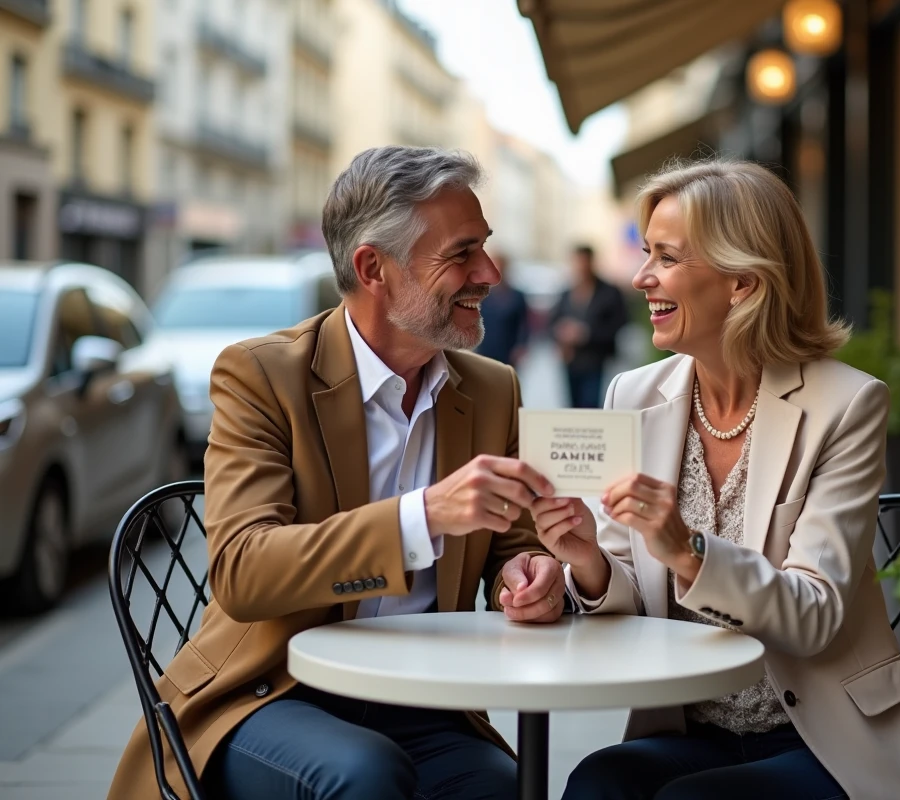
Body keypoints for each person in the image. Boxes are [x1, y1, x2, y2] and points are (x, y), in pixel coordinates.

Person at [108, 146, 566, 800]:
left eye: (484, 247)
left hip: (424, 701)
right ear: (374, 268)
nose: (489, 272)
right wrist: (425, 515)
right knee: (363, 773)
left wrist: (529, 575)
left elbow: (512, 546)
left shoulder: (493, 389)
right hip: (271, 693)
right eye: (462, 253)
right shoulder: (262, 375)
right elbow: (242, 569)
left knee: (506, 787)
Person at [532, 160, 900, 800]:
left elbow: (814, 615)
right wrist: (586, 561)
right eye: (646, 254)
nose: (641, 278)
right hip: (690, 726)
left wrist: (688, 552)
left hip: (825, 738)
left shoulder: (846, 406)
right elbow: (628, 593)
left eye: (667, 257)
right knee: (596, 782)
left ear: (743, 283)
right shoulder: (631, 396)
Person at [549, 244, 629, 408]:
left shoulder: (609, 292)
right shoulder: (567, 293)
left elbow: (619, 324)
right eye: (577, 263)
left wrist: (585, 334)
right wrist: (562, 335)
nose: (581, 267)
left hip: (597, 359)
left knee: (591, 405)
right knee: (572, 406)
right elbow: (552, 322)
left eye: (584, 262)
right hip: (571, 360)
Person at [475, 251, 530, 366]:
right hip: (486, 349)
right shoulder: (483, 295)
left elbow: (524, 324)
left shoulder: (517, 296)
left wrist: (521, 345)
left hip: (508, 350)